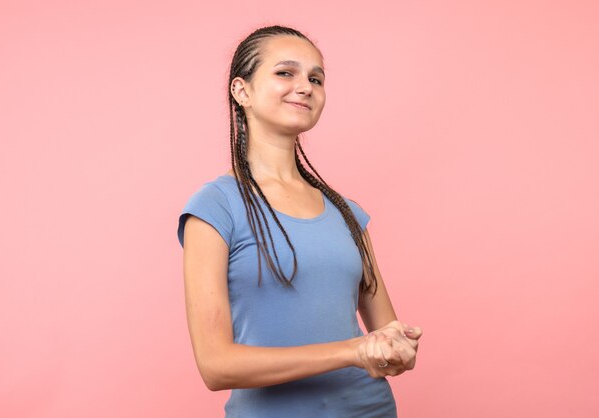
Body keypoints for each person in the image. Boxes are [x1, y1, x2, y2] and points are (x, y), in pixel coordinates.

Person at [177, 25, 423, 417]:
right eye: (285, 73)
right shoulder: (214, 209)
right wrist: (353, 350)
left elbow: (385, 335)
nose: (305, 86)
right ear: (242, 91)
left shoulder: (347, 213)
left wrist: (398, 347)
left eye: (316, 78)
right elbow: (215, 365)